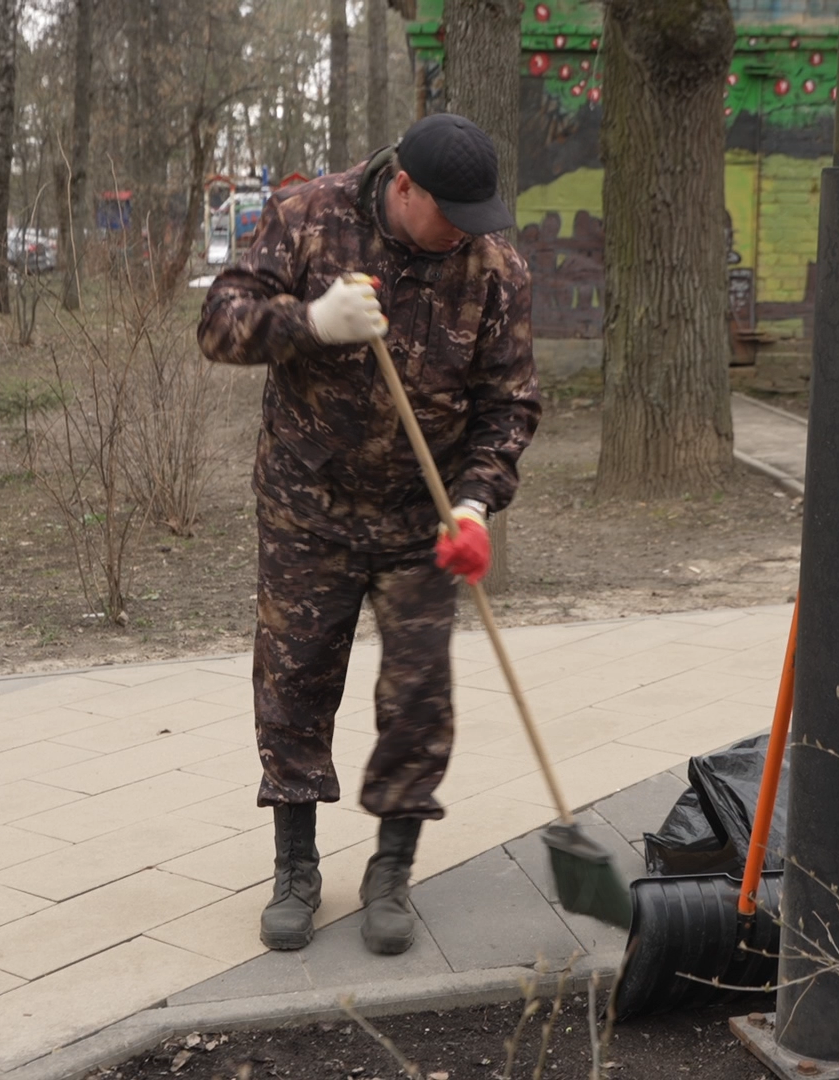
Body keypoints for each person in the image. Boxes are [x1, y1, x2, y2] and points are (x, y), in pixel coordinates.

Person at [197, 114, 540, 956]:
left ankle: (392, 866)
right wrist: (310, 324)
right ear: (402, 187)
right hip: (305, 506)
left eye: (476, 213)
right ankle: (296, 866)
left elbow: (511, 403)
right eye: (448, 211)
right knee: (295, 679)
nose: (464, 228)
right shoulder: (309, 217)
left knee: (420, 696)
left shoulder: (493, 265)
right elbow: (219, 324)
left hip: (421, 517)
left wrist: (473, 505)